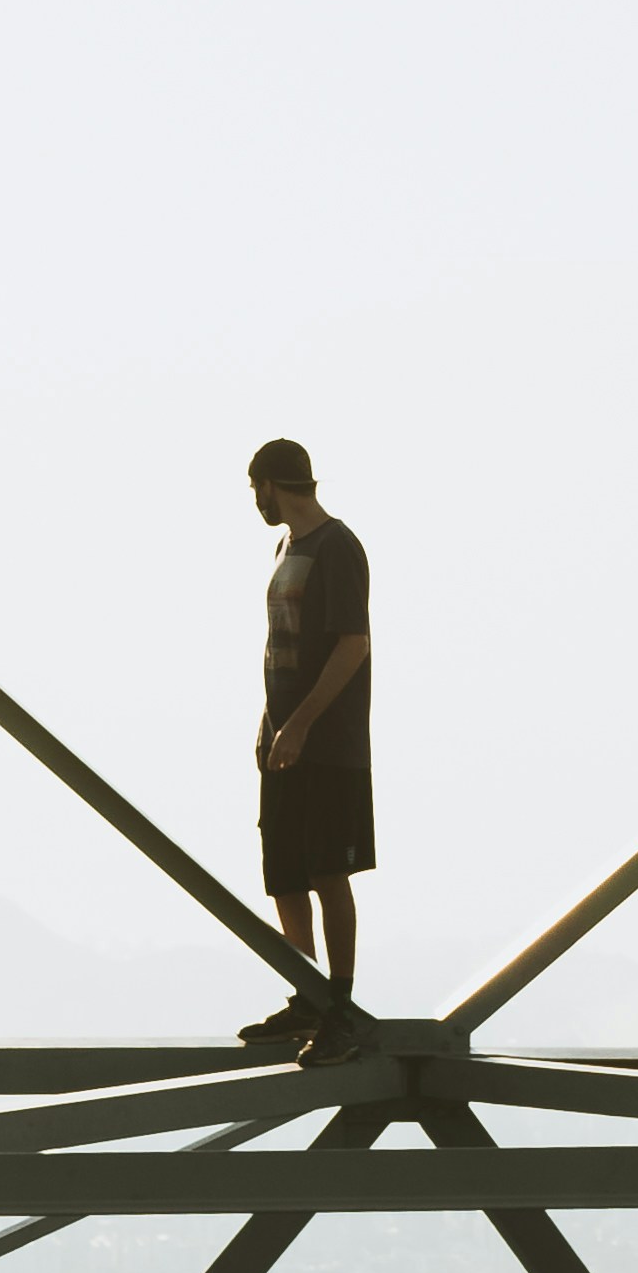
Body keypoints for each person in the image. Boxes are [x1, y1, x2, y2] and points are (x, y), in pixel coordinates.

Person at [235, 438, 375, 1060]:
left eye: (254, 490)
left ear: (272, 484)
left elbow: (353, 643)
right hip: (284, 740)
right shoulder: (286, 546)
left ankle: (339, 1012)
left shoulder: (337, 546)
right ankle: (308, 996)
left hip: (328, 744)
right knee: (285, 874)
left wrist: (303, 725)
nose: (255, 502)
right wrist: (271, 728)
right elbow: (277, 650)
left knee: (327, 871)